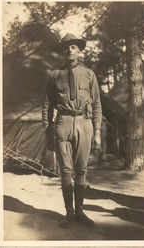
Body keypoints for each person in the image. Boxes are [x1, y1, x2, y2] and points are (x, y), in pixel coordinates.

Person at [42, 33, 102, 228]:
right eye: (66, 47)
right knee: (66, 171)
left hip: (84, 123)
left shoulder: (89, 74)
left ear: (79, 50)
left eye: (73, 47)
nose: (70, 50)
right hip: (63, 123)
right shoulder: (55, 76)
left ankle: (80, 212)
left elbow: (97, 105)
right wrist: (47, 129)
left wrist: (98, 131)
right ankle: (69, 212)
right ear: (62, 51)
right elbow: (47, 105)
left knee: (81, 170)